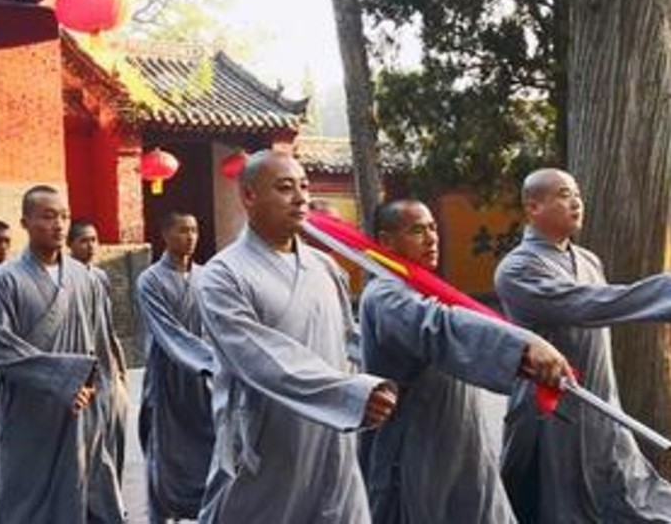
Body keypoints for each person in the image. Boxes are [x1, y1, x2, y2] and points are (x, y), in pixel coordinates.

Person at [197, 150, 397, 523]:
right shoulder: (223, 274)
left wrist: (377, 381)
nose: (301, 197)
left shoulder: (324, 266)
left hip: (333, 432)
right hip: (267, 437)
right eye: (285, 188)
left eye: (304, 186)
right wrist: (348, 393)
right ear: (249, 196)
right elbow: (259, 357)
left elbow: (348, 341)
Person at [360, 199, 572, 524]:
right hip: (416, 446)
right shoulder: (385, 294)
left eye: (432, 228)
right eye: (417, 230)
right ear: (387, 241)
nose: (432, 238)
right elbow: (438, 327)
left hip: (461, 441)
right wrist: (522, 345)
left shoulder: (424, 286)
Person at [495, 168, 671, 522]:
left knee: (636, 500)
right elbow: (589, 304)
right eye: (563, 194)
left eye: (577, 193)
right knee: (560, 508)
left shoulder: (589, 260)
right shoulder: (516, 269)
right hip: (553, 417)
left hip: (603, 407)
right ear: (533, 206)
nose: (576, 202)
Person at [0, 186, 125, 524]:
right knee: (26, 497)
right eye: (47, 216)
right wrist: (65, 380)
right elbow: (0, 345)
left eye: (64, 216)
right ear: (25, 222)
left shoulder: (86, 279)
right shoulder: (3, 281)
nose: (59, 225)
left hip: (82, 408)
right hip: (29, 411)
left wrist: (96, 387)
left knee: (86, 490)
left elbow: (99, 343)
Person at [135, 211, 215, 524]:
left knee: (207, 445)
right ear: (165, 235)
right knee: (165, 449)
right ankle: (162, 515)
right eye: (182, 231)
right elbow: (166, 330)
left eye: (194, 230)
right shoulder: (150, 280)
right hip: (168, 375)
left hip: (203, 381)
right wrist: (210, 360)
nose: (190, 237)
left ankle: (204, 510)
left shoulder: (206, 277)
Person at [67, 218, 129, 483]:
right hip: (81, 367)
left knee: (115, 432)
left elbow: (108, 325)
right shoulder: (66, 277)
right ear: (70, 245)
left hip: (107, 367)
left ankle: (113, 494)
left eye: (94, 240)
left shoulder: (100, 276)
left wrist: (119, 365)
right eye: (84, 240)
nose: (91, 246)